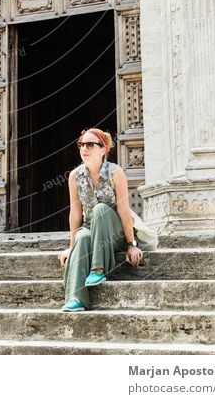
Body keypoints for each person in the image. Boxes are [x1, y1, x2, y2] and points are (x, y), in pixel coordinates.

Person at [58, 127, 144, 311]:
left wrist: (131, 244)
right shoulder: (75, 176)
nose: (84, 149)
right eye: (81, 145)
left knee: (100, 209)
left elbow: (123, 210)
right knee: (82, 238)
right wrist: (71, 247)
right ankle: (76, 298)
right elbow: (75, 213)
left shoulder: (115, 172)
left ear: (103, 149)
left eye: (90, 145)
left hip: (113, 230)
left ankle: (97, 269)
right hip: (90, 227)